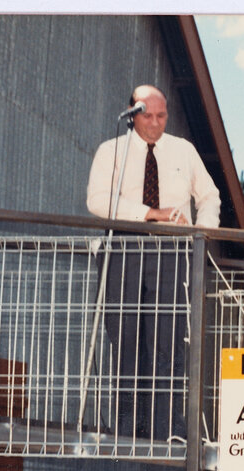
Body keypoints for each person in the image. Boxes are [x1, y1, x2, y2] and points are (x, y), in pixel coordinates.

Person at [86, 84, 221, 441]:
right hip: (124, 251)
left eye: (162, 116)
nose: (155, 123)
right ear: (131, 113)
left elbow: (209, 196)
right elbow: (98, 200)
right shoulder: (109, 150)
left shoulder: (184, 150)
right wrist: (150, 214)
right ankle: (128, 427)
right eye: (148, 115)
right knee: (126, 340)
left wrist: (201, 233)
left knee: (167, 341)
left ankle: (163, 430)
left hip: (172, 253)